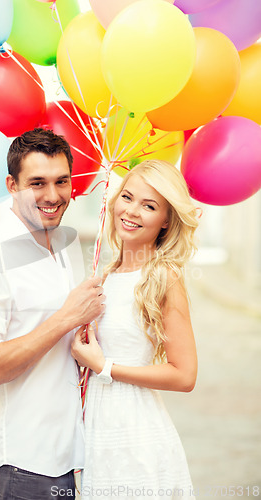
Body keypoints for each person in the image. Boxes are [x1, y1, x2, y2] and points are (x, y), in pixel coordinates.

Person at [0, 128, 105, 500]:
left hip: (62, 458)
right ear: (12, 184)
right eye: (37, 183)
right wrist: (66, 319)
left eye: (61, 181)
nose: (52, 196)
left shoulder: (59, 245)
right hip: (21, 466)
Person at [71, 159, 199, 499]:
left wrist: (104, 366)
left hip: (136, 433)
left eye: (149, 205)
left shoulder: (163, 278)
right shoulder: (106, 275)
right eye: (127, 197)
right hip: (99, 431)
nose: (132, 211)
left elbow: (185, 375)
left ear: (166, 220)